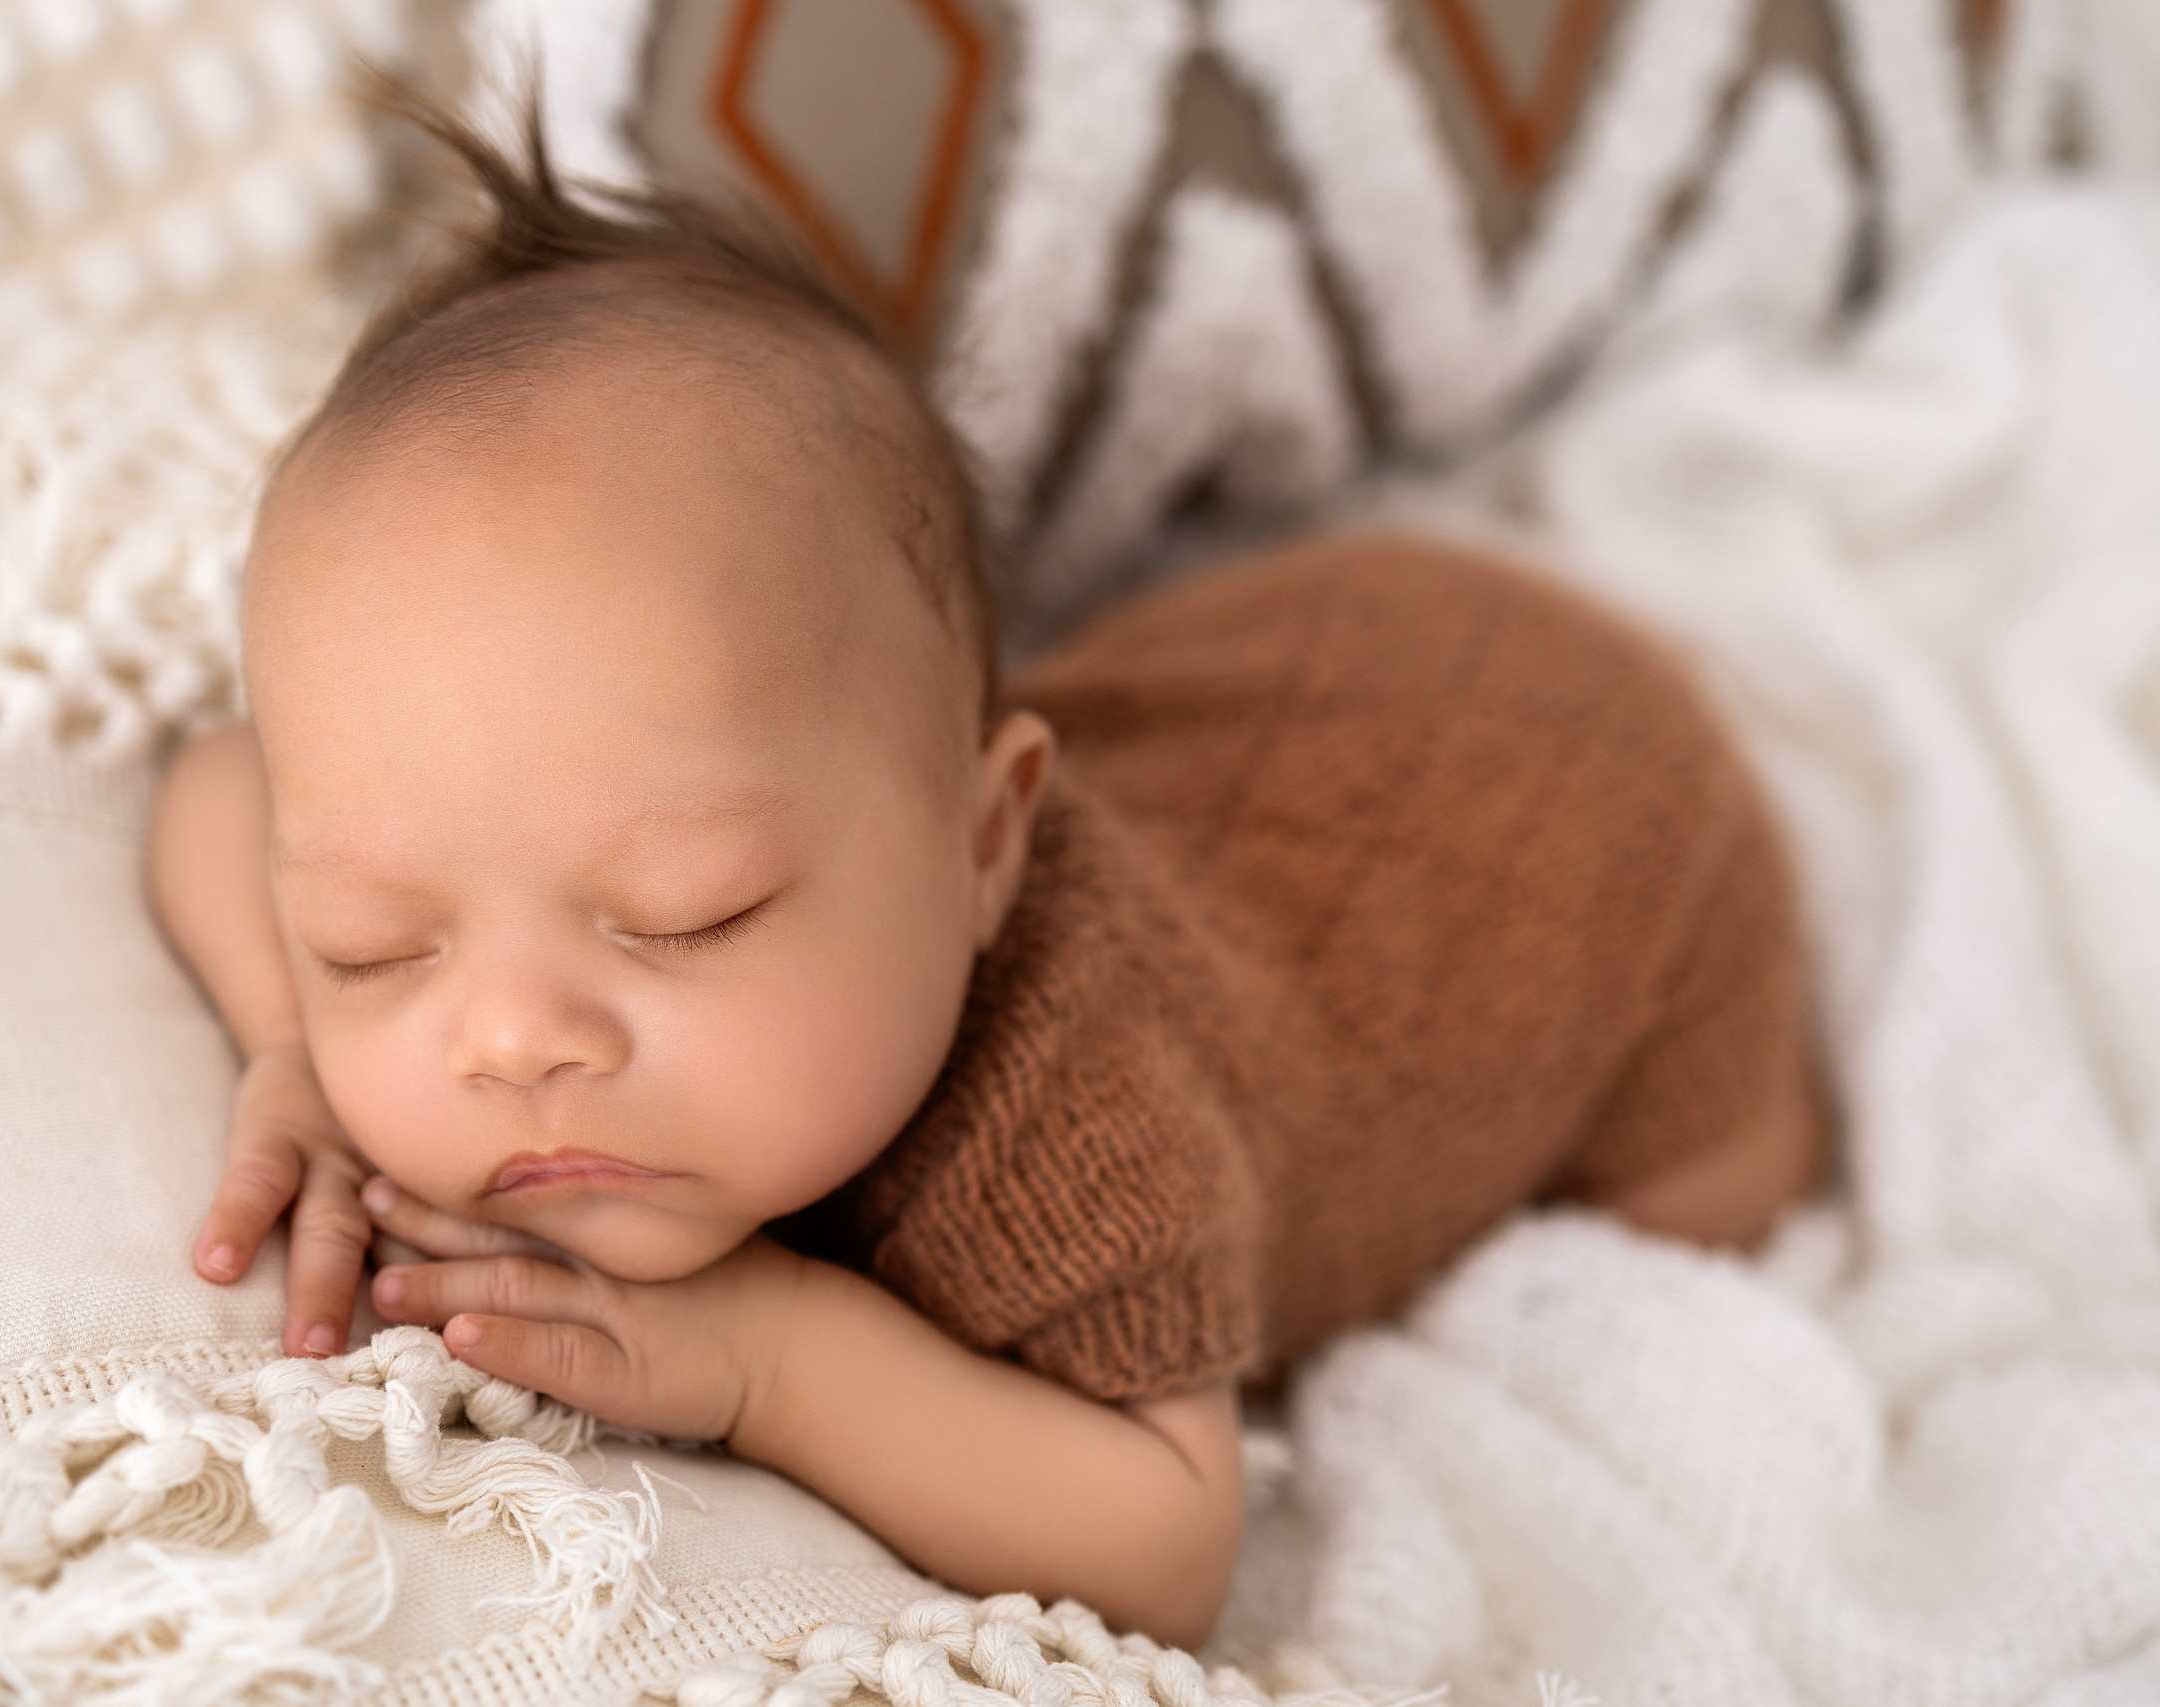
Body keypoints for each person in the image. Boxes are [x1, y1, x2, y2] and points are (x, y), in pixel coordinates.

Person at [148, 88, 1826, 1649]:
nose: (507, 1037)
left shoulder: (1071, 1127)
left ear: (987, 848)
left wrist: (772, 1359)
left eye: (689, 913)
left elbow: (1169, 1537)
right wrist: (294, 1042)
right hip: (1307, 690)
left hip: (1596, 824)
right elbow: (220, 790)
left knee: (1711, 1206)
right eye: (378, 942)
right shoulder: (666, 925)